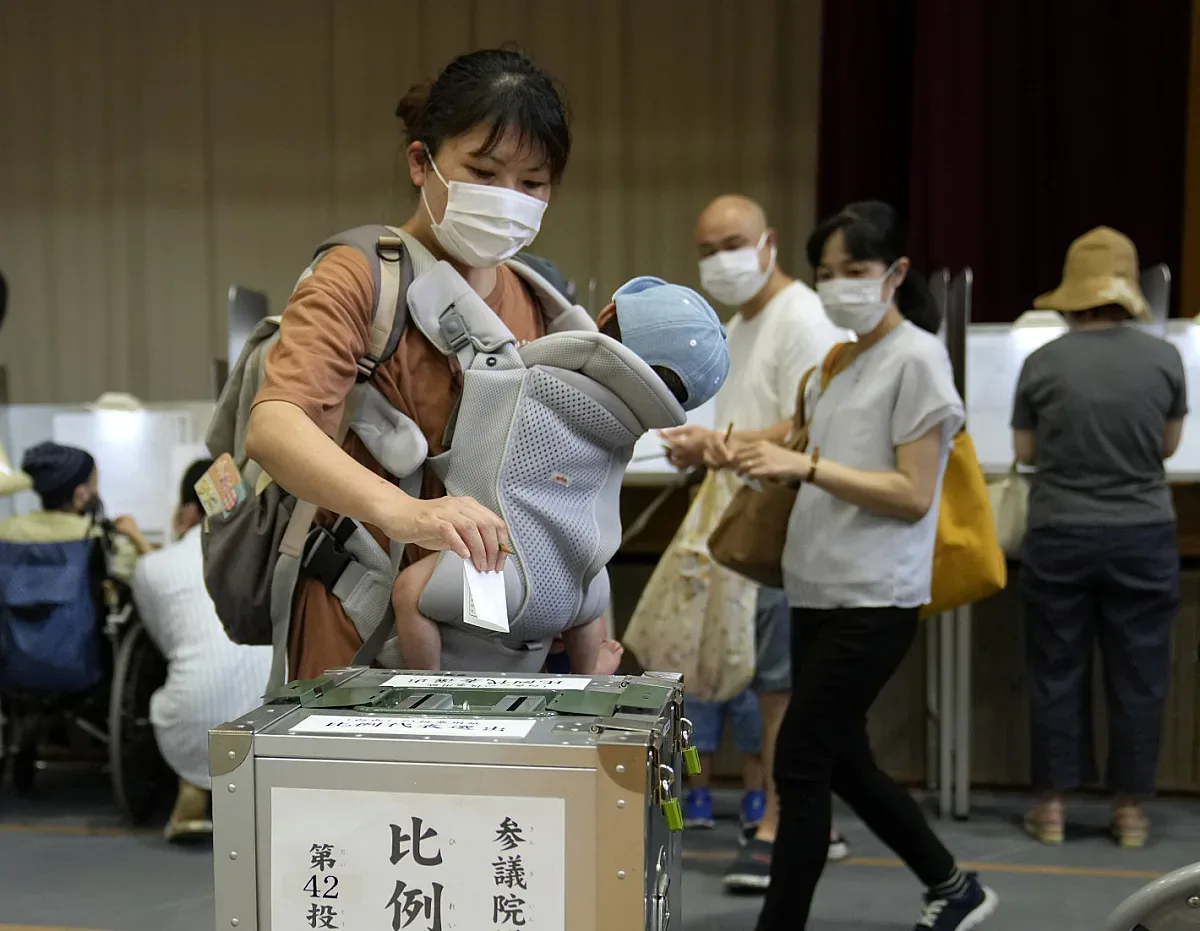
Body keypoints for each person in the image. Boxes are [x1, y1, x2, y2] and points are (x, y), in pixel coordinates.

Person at [244, 49, 618, 680]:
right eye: (484, 171)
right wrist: (407, 514)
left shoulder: (537, 299)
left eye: (533, 182)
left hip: (493, 627)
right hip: (362, 620)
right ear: (422, 163)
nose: (509, 198)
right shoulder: (360, 276)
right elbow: (275, 427)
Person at [719, 202, 997, 931]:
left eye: (855, 271)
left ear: (897, 274)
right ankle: (954, 884)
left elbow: (911, 493)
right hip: (818, 589)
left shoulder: (918, 359)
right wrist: (717, 444)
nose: (839, 285)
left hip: (875, 598)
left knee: (801, 766)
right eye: (826, 274)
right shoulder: (841, 359)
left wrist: (803, 465)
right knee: (843, 761)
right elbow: (796, 435)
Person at [389, 274, 728, 675]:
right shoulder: (629, 427)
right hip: (579, 590)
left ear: (604, 314)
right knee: (592, 577)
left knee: (410, 593)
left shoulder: (531, 376)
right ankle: (590, 676)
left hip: (503, 576)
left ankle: (424, 686)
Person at [662, 194, 849, 890]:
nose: (721, 260)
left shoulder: (803, 317)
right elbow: (749, 420)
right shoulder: (741, 323)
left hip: (789, 520)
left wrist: (721, 442)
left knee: (777, 686)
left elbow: (812, 421)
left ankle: (778, 824)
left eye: (733, 243)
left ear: (769, 241)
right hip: (750, 517)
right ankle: (807, 817)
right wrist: (708, 446)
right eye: (707, 250)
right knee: (767, 680)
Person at [1013, 227, 1186, 850]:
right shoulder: (1163, 358)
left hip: (1059, 532)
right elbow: (1167, 446)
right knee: (1139, 673)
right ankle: (1131, 813)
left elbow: (1024, 451)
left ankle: (1053, 808)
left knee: (1056, 668)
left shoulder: (1041, 362)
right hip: (1143, 532)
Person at [132, 459, 273, 841]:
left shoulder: (151, 567)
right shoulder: (269, 555)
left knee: (177, 685)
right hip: (272, 717)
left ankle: (190, 794)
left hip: (194, 721)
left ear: (187, 510)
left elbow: (163, 642)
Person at [0, 441, 152, 583]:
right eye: (94, 484)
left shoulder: (7, 530)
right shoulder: (102, 542)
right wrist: (137, 537)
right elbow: (157, 580)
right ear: (81, 494)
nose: (96, 491)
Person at [683, 688, 767, 837]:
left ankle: (755, 798)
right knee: (696, 737)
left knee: (754, 734)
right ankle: (698, 796)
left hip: (750, 670)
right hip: (703, 669)